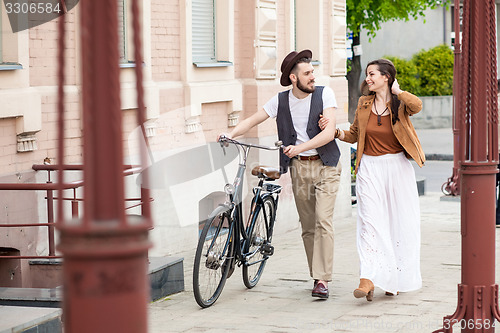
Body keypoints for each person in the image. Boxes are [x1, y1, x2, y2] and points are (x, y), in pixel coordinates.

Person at [218, 50, 342, 299]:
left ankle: (322, 280)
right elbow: (254, 119)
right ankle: (315, 275)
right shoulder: (280, 100)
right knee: (308, 226)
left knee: (323, 220)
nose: (312, 77)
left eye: (312, 72)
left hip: (326, 164)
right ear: (293, 78)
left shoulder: (324, 94)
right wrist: (231, 134)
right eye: (307, 74)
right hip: (299, 168)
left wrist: (299, 147)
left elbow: (328, 134)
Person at [320, 58, 424, 301]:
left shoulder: (400, 103)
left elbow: (417, 106)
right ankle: (367, 278)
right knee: (369, 221)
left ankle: (392, 278)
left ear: (386, 77)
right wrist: (335, 131)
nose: (367, 78)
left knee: (399, 223)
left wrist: (397, 91)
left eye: (372, 74)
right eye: (367, 74)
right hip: (369, 167)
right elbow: (355, 134)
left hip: (397, 167)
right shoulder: (364, 103)